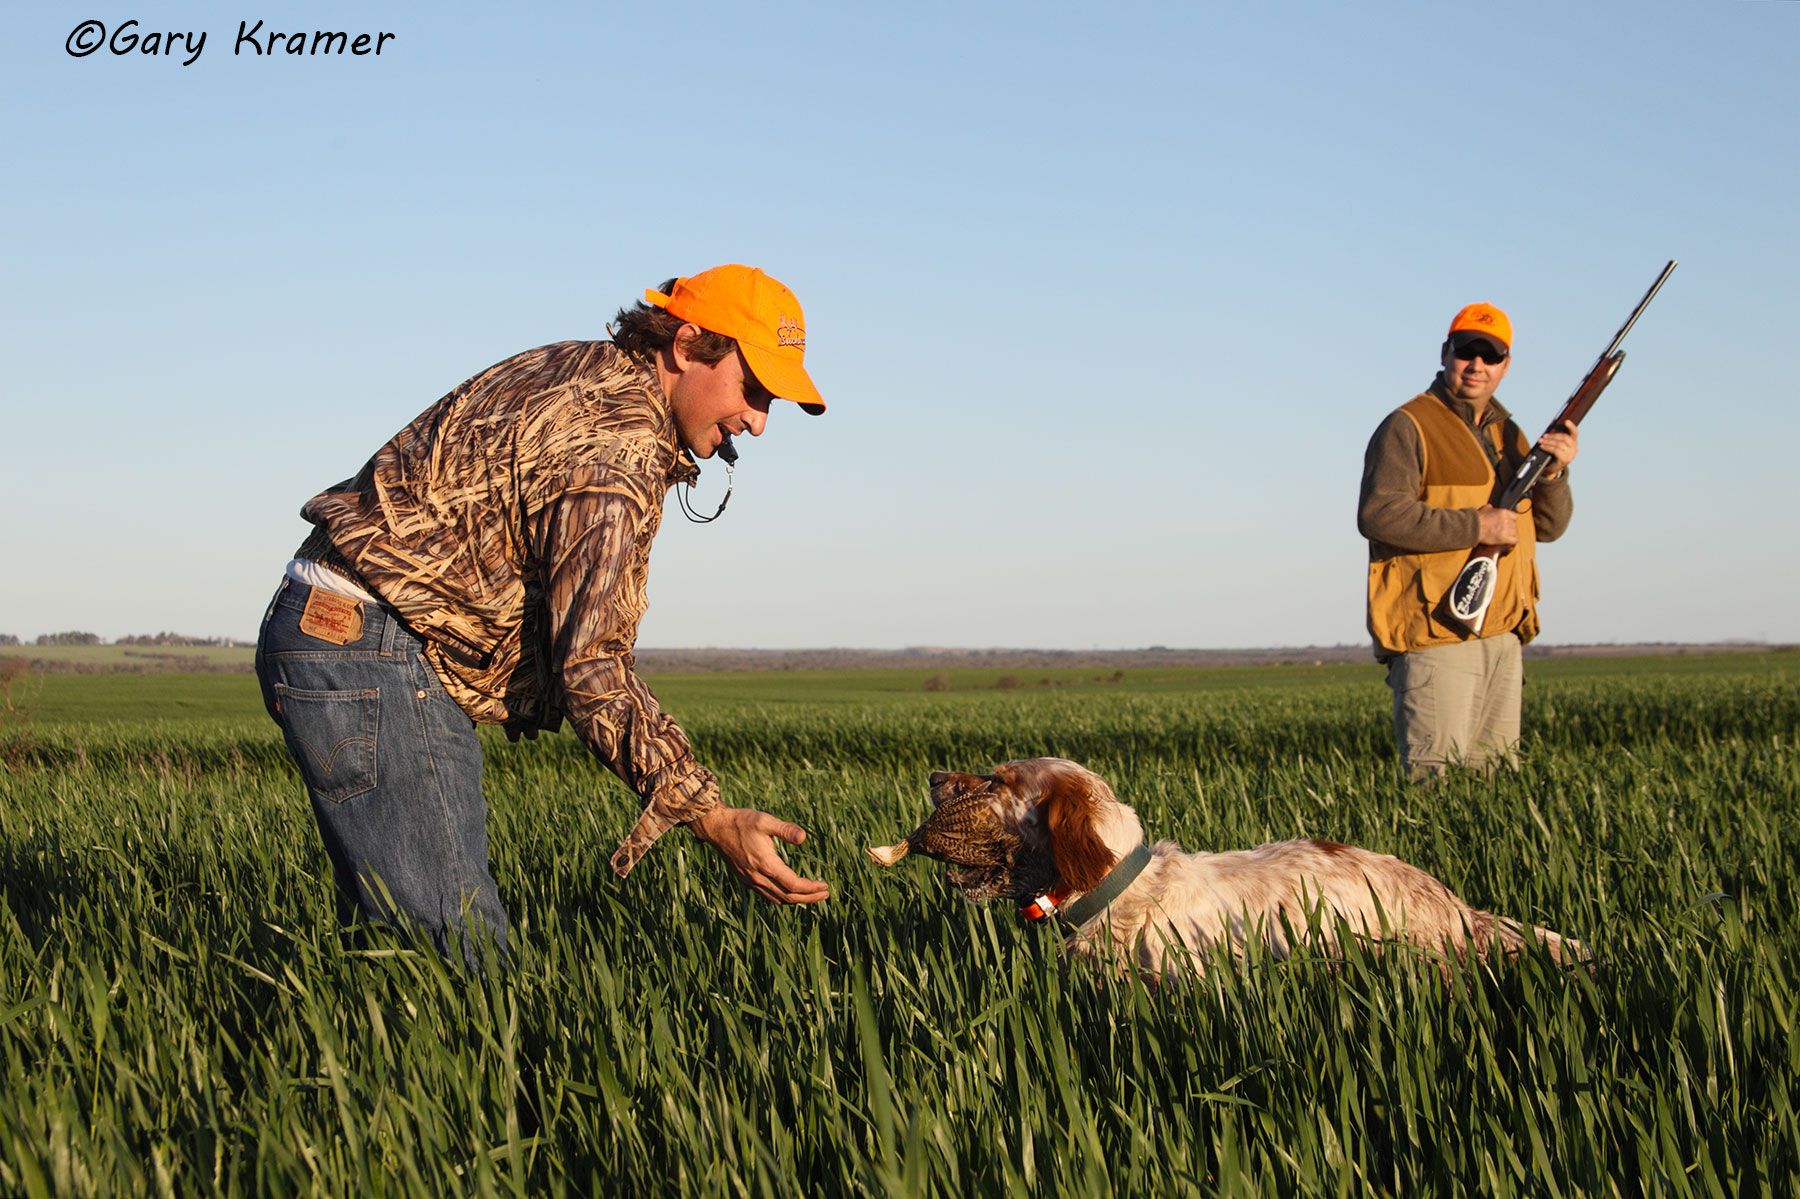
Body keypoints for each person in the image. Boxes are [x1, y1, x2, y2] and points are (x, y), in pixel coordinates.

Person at [253, 264, 832, 959]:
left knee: (398, 956)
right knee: (459, 961)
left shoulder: (585, 371)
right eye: (755, 388)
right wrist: (708, 812)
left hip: (344, 637)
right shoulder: (613, 448)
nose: (760, 423)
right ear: (685, 346)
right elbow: (592, 667)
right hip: (368, 649)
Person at [1357, 302, 1579, 778]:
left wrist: (1556, 472)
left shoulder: (1510, 434)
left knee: (1494, 786)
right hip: (1438, 633)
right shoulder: (1408, 425)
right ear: (1446, 353)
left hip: (1502, 633)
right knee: (1436, 786)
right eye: (1466, 351)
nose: (1477, 365)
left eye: (1491, 355)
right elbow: (1379, 515)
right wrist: (1476, 526)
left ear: (1506, 366)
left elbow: (1549, 527)